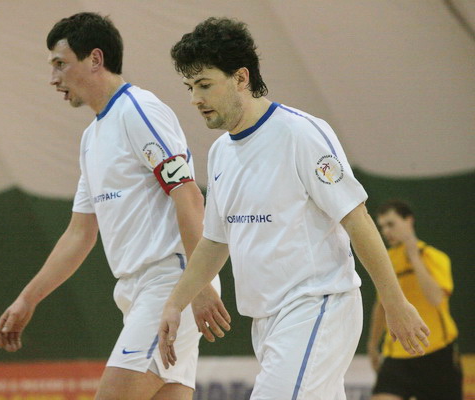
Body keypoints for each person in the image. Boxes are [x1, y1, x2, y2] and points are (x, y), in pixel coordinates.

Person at [158, 17, 430, 399]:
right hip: (267, 322)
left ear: (240, 78)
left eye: (204, 85)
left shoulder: (300, 133)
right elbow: (215, 242)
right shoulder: (220, 153)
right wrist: (175, 303)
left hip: (317, 307)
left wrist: (394, 302)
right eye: (190, 87)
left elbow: (357, 220)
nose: (194, 99)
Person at [0, 12, 226, 400]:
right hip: (137, 294)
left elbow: (188, 195)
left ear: (95, 59)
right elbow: (79, 233)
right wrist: (27, 299)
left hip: (169, 285)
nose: (53, 78)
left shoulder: (139, 111)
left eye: (60, 64)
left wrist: (196, 286)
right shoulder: (92, 138)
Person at [368, 200, 463, 400]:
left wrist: (413, 256)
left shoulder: (434, 257)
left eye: (391, 224)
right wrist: (372, 343)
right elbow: (382, 305)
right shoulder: (386, 261)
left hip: (437, 352)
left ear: (408, 221)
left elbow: (435, 298)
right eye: (382, 227)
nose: (386, 231)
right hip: (397, 354)